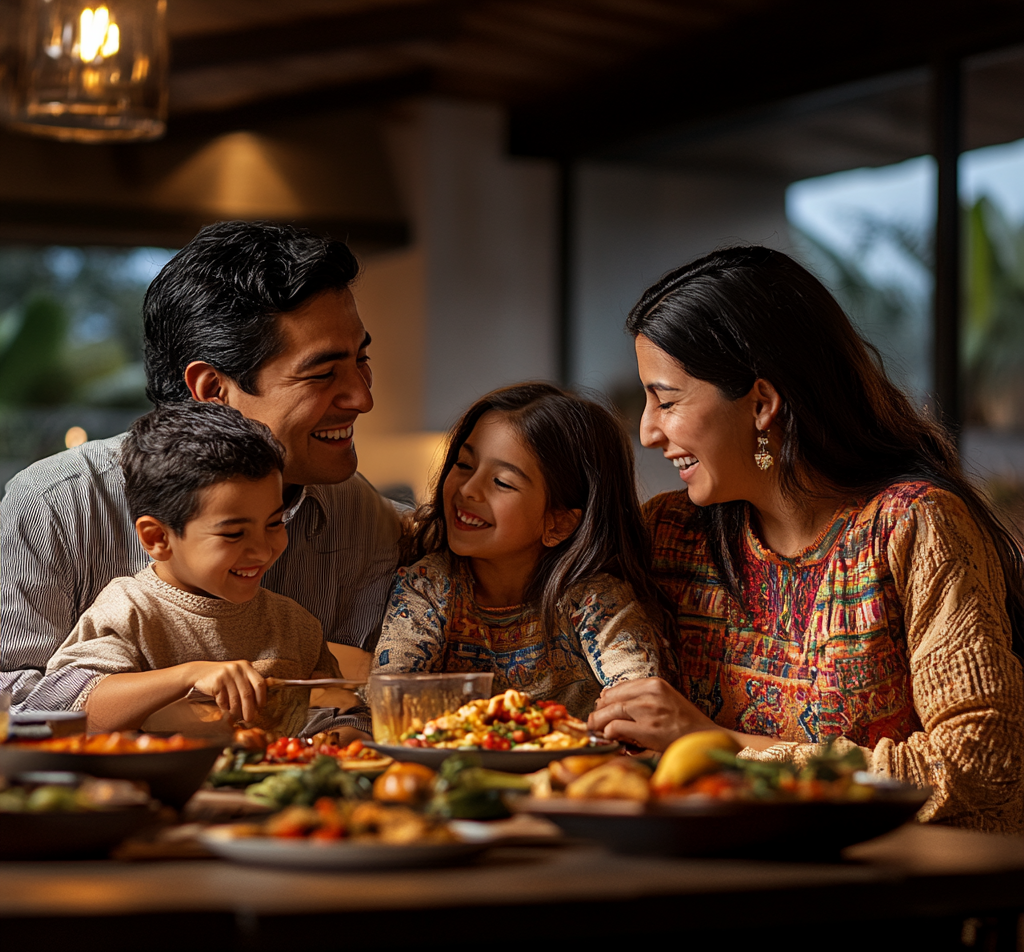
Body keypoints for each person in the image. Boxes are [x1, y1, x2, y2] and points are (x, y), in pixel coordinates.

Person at [587, 245, 1024, 833]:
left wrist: (717, 744)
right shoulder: (668, 534)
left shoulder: (914, 527)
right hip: (708, 879)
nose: (645, 431)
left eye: (666, 400)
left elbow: (983, 770)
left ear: (762, 404)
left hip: (894, 896)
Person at [1, 221, 400, 719]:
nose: (363, 397)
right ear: (213, 390)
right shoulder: (54, 505)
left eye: (361, 359)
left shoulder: (361, 514)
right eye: (322, 373)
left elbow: (362, 698)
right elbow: (11, 699)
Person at [46, 403, 355, 738]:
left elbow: (341, 712)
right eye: (234, 533)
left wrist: (348, 733)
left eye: (274, 523)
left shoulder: (295, 626)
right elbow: (73, 711)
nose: (263, 550)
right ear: (158, 538)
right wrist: (189, 676)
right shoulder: (129, 610)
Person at [373, 382, 669, 720]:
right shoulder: (427, 586)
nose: (468, 489)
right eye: (464, 465)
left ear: (558, 523)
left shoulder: (594, 600)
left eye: (502, 482)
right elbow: (390, 702)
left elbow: (639, 706)